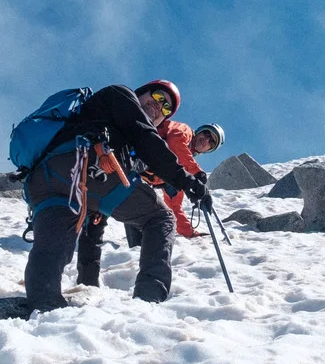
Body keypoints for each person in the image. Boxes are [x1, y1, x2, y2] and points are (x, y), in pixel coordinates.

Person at [24, 80, 210, 311]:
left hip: (47, 181)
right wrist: (186, 180)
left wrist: (170, 182)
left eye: (165, 110)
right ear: (140, 93)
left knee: (55, 245)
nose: (159, 107)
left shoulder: (115, 128)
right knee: (160, 218)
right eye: (158, 97)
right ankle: (149, 299)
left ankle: (45, 302)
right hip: (90, 167)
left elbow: (146, 162)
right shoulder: (120, 95)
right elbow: (148, 141)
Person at [75, 121, 226, 286]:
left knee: (99, 219)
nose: (206, 140)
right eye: (206, 134)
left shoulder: (182, 170)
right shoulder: (184, 132)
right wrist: (196, 172)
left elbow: (174, 207)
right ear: (199, 131)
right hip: (121, 159)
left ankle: (88, 280)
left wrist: (190, 233)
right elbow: (176, 143)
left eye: (211, 142)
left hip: (126, 175)